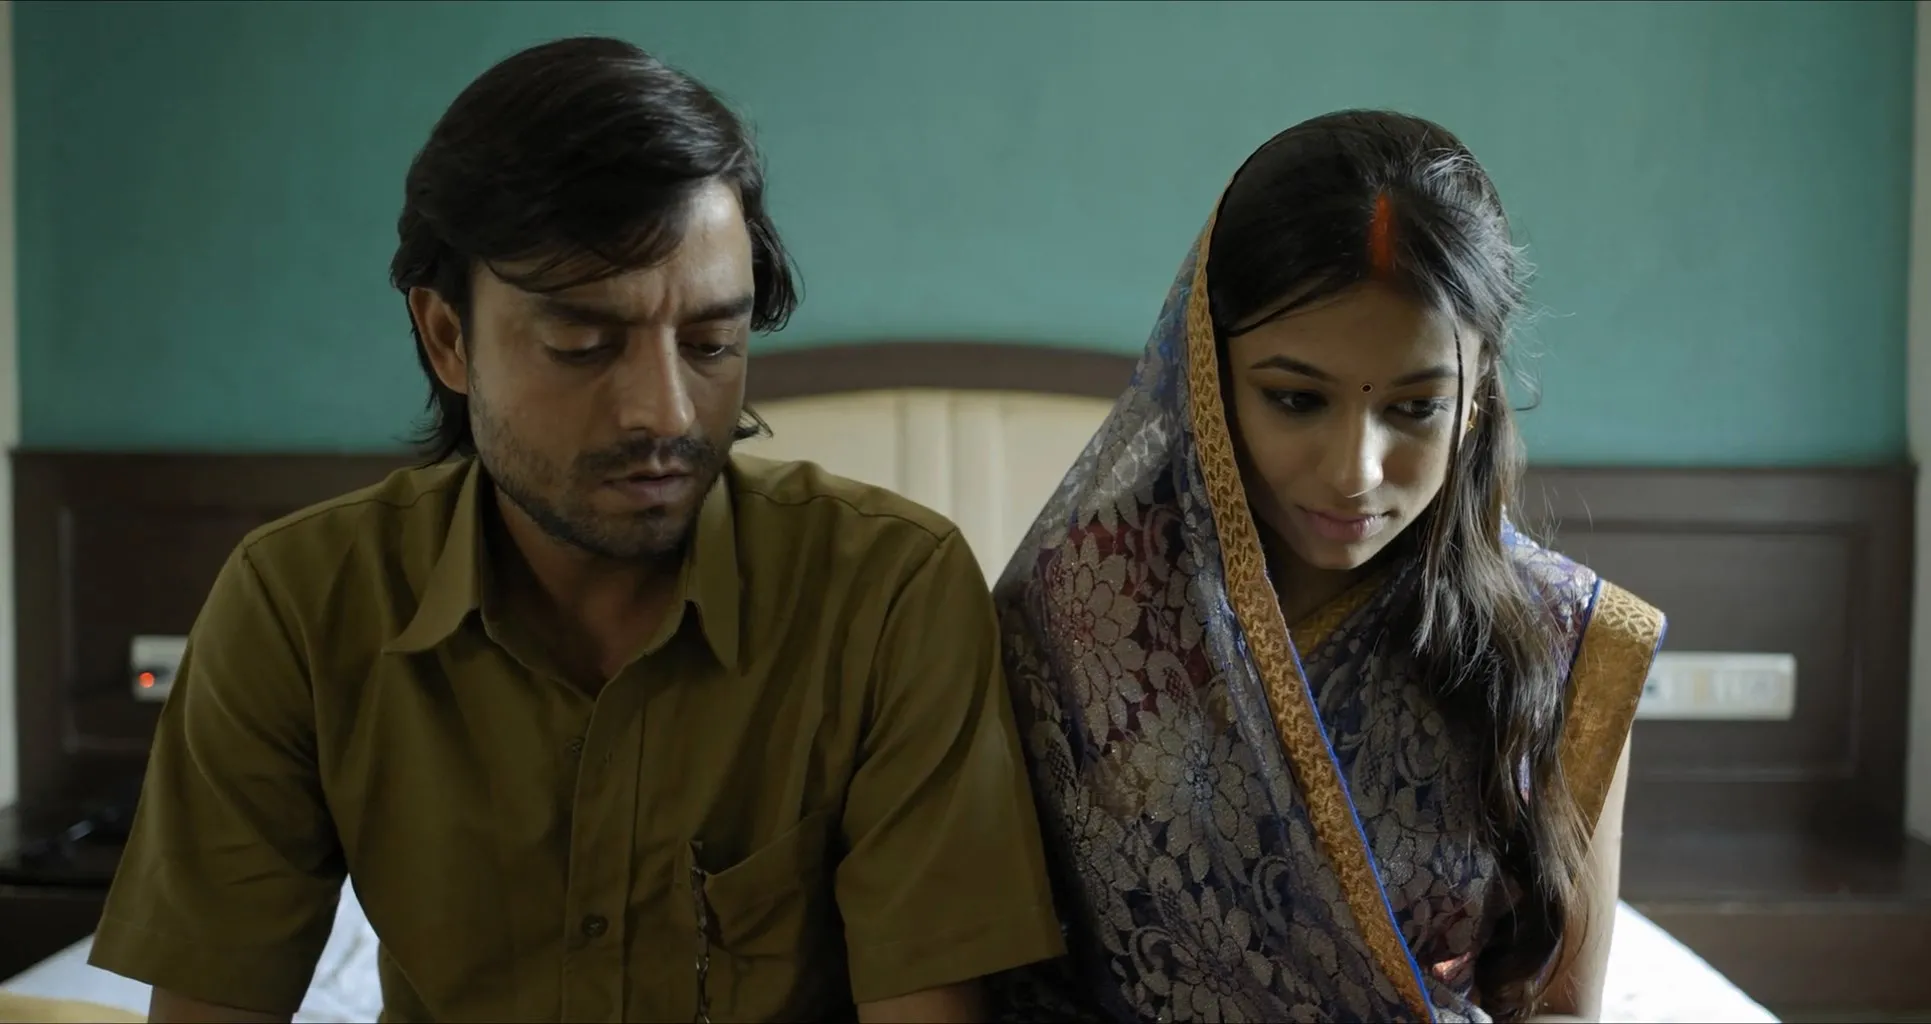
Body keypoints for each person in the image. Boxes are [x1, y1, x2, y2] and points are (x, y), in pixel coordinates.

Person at [86, 36, 1066, 1024]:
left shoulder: (887, 599)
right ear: (448, 337)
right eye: (583, 344)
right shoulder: (300, 606)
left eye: (712, 344)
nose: (666, 412)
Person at [989, 110, 1664, 1023]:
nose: (1355, 472)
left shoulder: (1565, 644)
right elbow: (1003, 971)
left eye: (1415, 408)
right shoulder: (1076, 616)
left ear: (1476, 398)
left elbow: (1557, 1007)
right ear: (1205, 376)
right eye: (1295, 399)